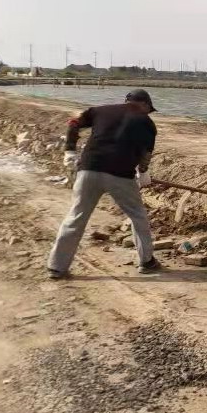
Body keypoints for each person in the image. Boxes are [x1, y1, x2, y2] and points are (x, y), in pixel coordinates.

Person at [47, 88, 162, 278]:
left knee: (76, 216)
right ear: (145, 104)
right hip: (120, 175)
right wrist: (143, 172)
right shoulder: (147, 123)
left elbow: (73, 123)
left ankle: (56, 267)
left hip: (89, 170)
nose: (147, 112)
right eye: (148, 109)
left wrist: (69, 150)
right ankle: (147, 262)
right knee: (138, 216)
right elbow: (146, 154)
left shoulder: (100, 110)